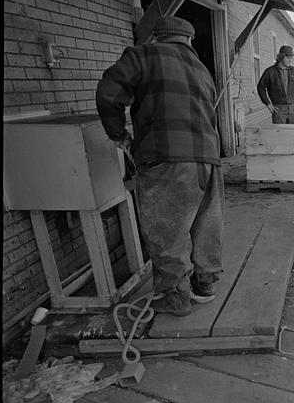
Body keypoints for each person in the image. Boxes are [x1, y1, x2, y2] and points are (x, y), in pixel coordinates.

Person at [95, 16, 223, 317]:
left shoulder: (142, 55)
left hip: (165, 157)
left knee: (167, 227)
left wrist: (119, 136)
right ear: (188, 41)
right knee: (205, 222)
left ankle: (176, 296)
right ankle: (205, 285)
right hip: (208, 158)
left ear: (157, 36)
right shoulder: (202, 70)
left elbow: (108, 93)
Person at [256, 45, 294, 123]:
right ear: (281, 57)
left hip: (293, 108)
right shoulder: (270, 72)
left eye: (291, 58)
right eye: (288, 58)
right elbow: (261, 88)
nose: (290, 61)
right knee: (279, 133)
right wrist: (268, 104)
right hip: (278, 109)